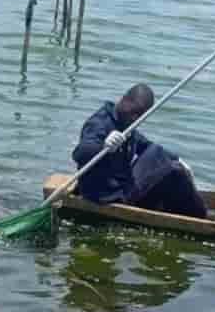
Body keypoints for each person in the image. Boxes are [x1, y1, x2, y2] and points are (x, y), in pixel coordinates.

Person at [72, 83, 207, 219]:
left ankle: (185, 210)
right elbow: (80, 153)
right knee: (173, 170)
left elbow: (145, 144)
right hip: (107, 194)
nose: (134, 118)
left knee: (164, 158)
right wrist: (104, 146)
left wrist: (179, 160)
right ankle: (202, 219)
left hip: (122, 184)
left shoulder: (125, 123)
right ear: (123, 99)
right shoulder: (99, 122)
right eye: (133, 112)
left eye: (139, 115)